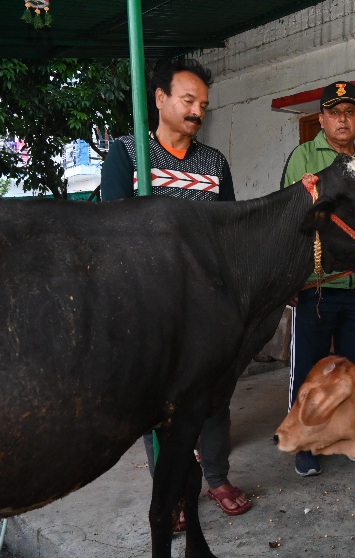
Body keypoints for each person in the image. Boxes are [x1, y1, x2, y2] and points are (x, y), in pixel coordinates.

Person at [100, 58, 251, 521]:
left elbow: (228, 233)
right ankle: (172, 493)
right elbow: (113, 231)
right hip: (154, 307)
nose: (197, 110)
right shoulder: (128, 154)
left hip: (207, 307)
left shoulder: (213, 162)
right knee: (161, 408)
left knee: (213, 398)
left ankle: (217, 478)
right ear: (160, 99)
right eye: (188, 100)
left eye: (203, 104)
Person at [281, 80, 355, 477]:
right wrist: (290, 280)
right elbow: (290, 222)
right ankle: (304, 443)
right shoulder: (303, 157)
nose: (342, 119)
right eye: (334, 113)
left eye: (350, 112)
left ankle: (352, 436)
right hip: (315, 288)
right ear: (322, 119)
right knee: (308, 371)